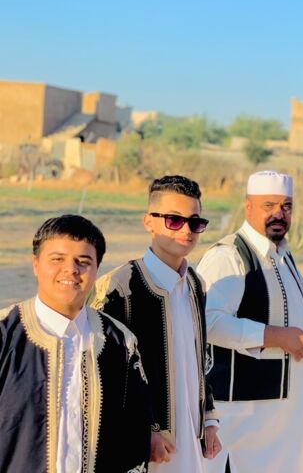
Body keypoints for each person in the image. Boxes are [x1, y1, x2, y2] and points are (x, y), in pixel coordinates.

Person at [91, 175, 221, 473]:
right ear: (149, 222)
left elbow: (200, 360)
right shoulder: (119, 287)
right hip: (144, 447)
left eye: (195, 222)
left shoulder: (195, 284)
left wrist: (209, 419)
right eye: (174, 220)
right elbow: (104, 376)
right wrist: (141, 432)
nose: (186, 230)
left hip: (191, 441)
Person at [0, 215, 150, 472]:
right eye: (57, 259)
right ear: (36, 264)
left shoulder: (120, 342)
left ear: (97, 269)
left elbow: (135, 434)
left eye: (83, 261)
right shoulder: (5, 334)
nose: (71, 269)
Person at [197, 170, 303, 473]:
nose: (279, 214)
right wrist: (275, 336)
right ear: (248, 207)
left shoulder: (284, 256)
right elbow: (208, 321)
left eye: (286, 206)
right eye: (269, 205)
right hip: (241, 418)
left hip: (281, 420)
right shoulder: (229, 255)